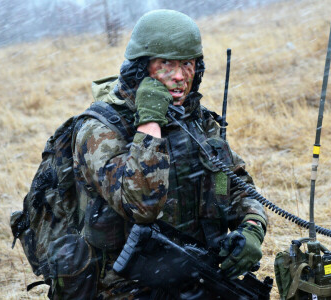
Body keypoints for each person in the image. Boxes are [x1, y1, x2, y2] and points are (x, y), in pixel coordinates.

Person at [71, 9, 268, 299]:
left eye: (187, 64)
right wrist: (150, 124)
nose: (179, 76)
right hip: (127, 287)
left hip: (199, 276)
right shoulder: (99, 131)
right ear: (141, 68)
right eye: (166, 64)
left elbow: (239, 186)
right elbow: (142, 206)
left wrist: (251, 229)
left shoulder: (198, 121)